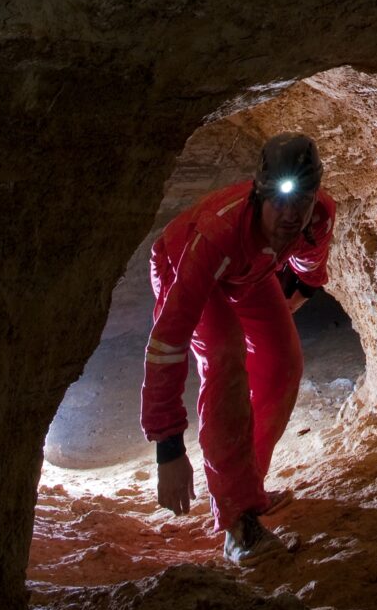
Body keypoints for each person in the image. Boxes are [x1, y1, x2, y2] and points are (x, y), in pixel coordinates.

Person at [140, 132, 335, 562]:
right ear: (259, 195)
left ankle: (247, 487)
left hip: (249, 272)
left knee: (283, 362)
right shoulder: (219, 233)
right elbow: (168, 339)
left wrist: (287, 308)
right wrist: (167, 447)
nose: (291, 213)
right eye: (280, 200)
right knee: (225, 355)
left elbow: (309, 269)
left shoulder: (317, 217)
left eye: (301, 199)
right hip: (188, 264)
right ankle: (239, 522)